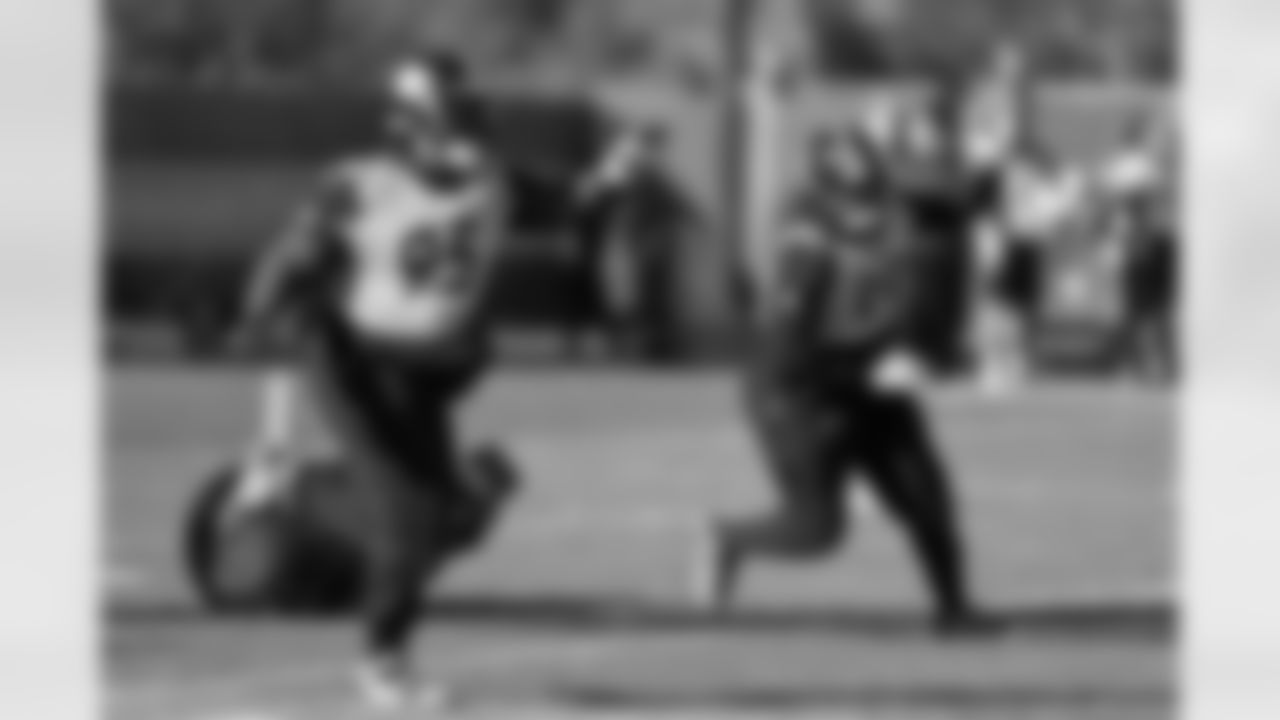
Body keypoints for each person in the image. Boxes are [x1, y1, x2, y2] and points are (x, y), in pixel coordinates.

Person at [234, 52, 510, 710]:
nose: (468, 133)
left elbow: (568, 193)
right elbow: (279, 283)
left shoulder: (495, 181)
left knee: (449, 515)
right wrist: (269, 336)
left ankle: (313, 505)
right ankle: (382, 665)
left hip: (419, 376)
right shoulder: (359, 187)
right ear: (411, 125)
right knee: (409, 515)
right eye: (454, 118)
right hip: (351, 361)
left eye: (469, 117)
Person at [695, 127, 993, 635]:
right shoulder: (808, 242)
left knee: (927, 497)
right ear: (829, 190)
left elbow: (935, 272)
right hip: (799, 388)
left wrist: (925, 353)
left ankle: (955, 611)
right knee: (816, 529)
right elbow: (792, 337)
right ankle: (726, 539)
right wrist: (866, 368)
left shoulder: (911, 225)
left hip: (869, 382)